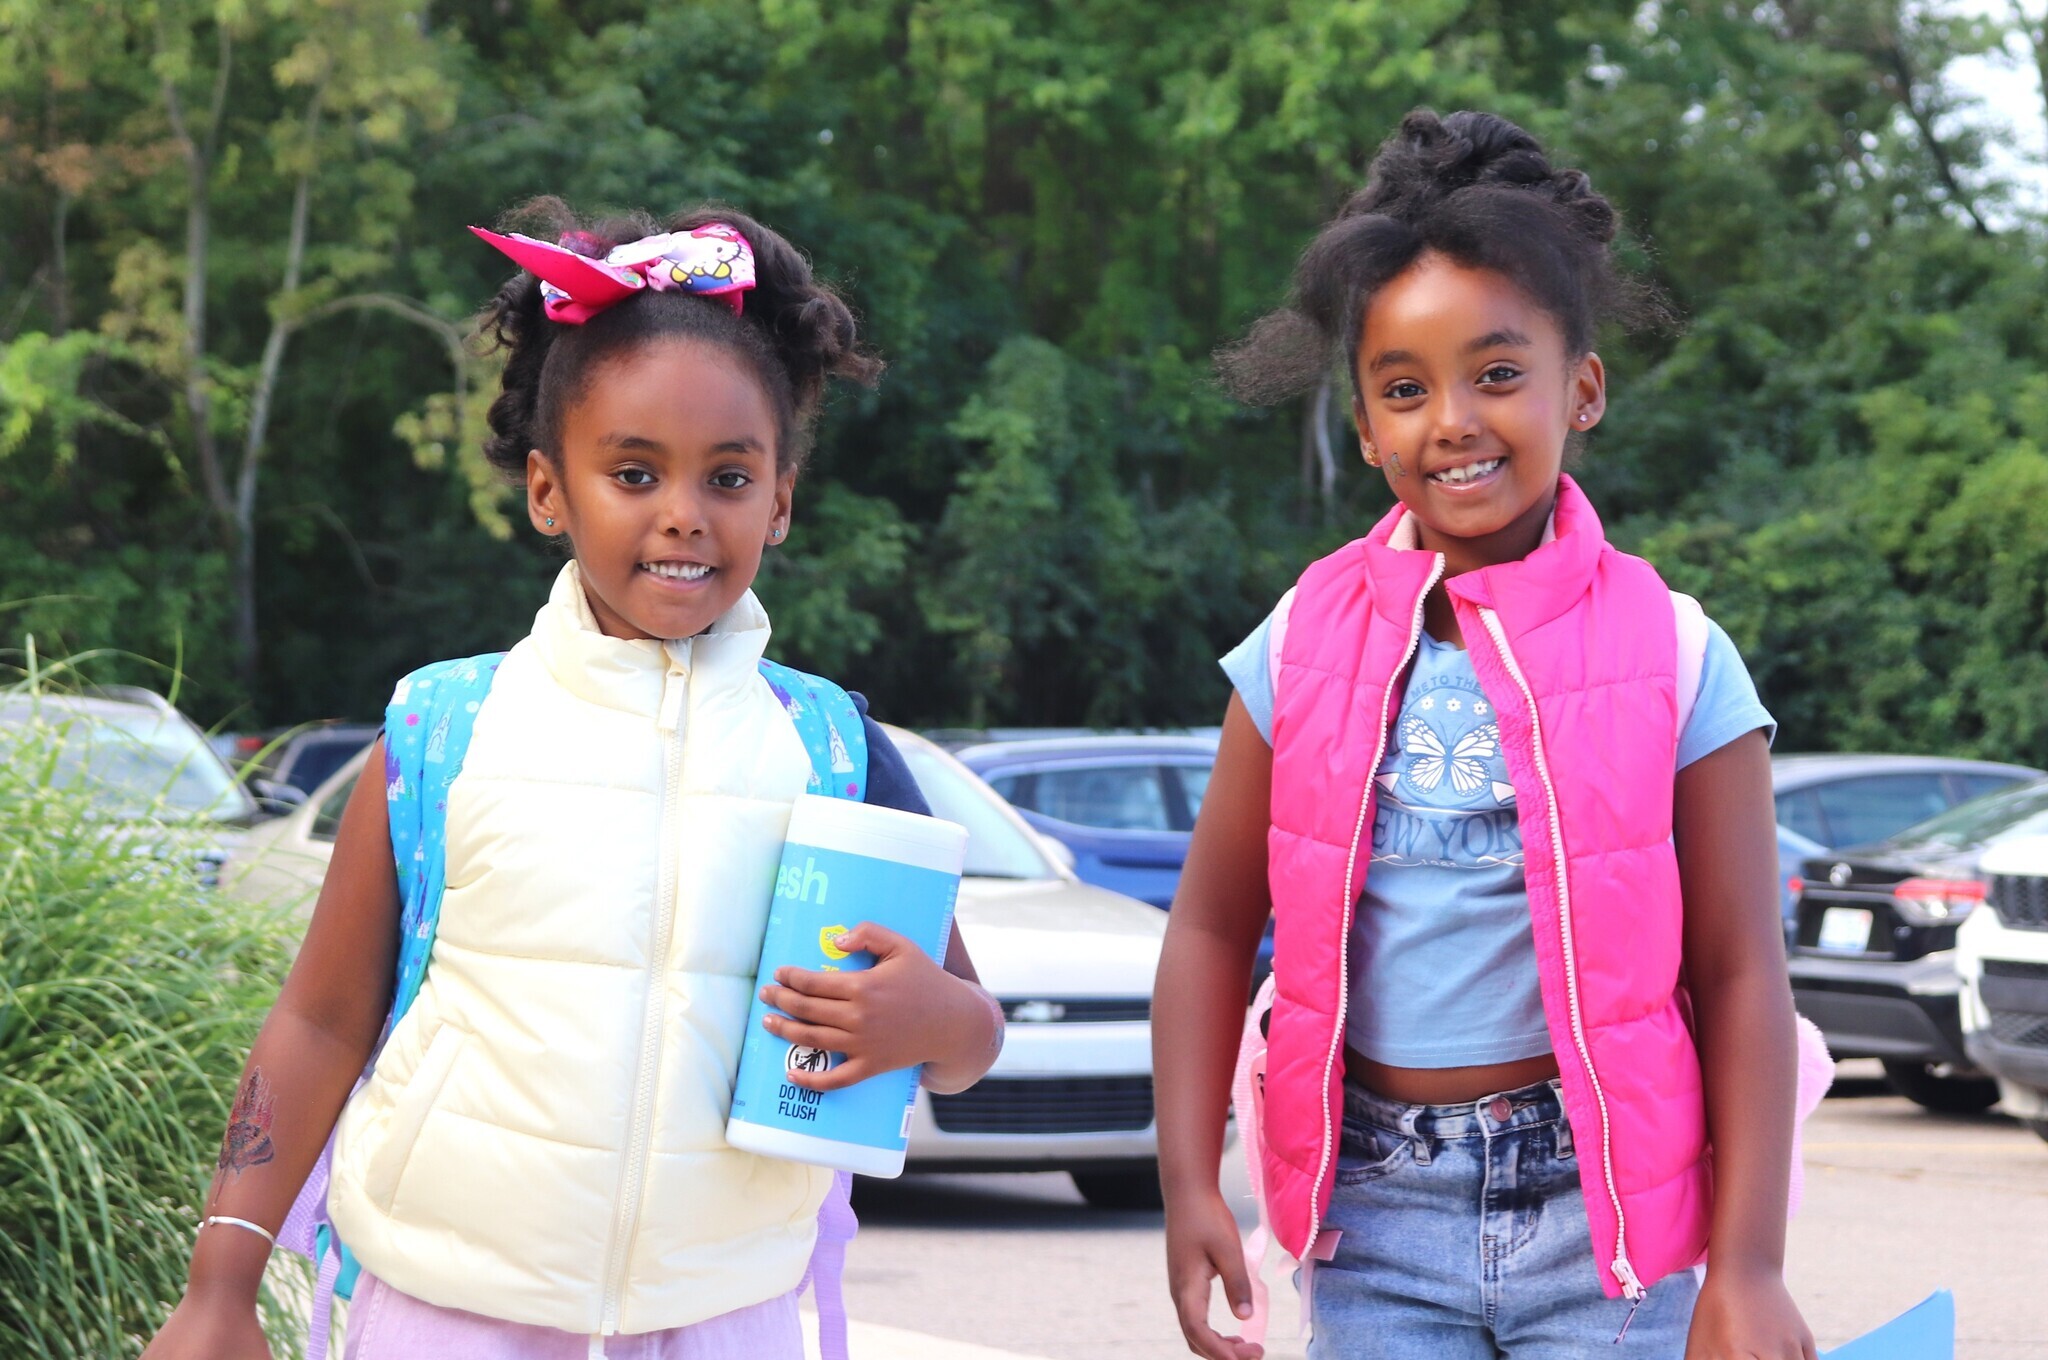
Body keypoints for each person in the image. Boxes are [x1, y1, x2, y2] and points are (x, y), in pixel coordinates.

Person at [143, 199, 1005, 1360]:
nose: (683, 516)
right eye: (635, 472)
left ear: (782, 499)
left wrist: (940, 1020)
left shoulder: (834, 750)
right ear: (551, 491)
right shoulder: (443, 731)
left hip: (722, 1317)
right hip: (446, 1313)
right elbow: (318, 1015)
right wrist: (219, 1283)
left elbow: (965, 1035)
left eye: (729, 479)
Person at [1154, 111, 1817, 1360]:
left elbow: (1741, 978)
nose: (1450, 419)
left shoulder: (1678, 655)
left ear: (1582, 388)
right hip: (1375, 1219)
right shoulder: (1298, 639)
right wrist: (1188, 1177)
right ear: (1362, 425)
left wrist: (1749, 1263)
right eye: (1403, 389)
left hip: (1607, 1228)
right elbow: (1204, 925)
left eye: (1497, 373)